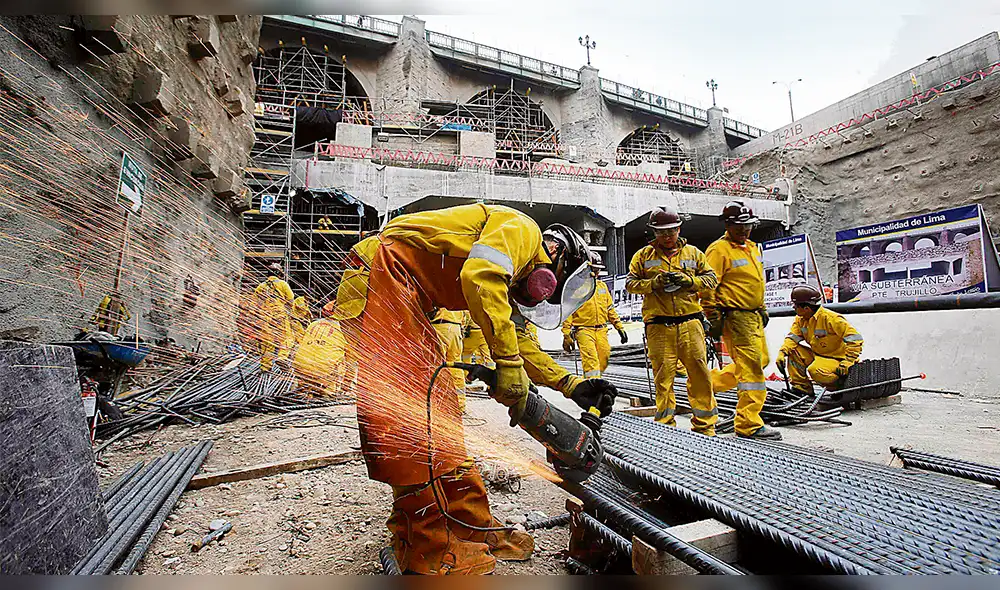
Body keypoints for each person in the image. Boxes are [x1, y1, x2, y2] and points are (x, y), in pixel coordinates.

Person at [356, 204, 618, 575]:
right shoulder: (523, 231)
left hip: (407, 292)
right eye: (551, 288)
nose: (542, 298)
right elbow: (479, 275)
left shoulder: (508, 277)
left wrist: (570, 384)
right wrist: (508, 366)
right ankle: (427, 550)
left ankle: (470, 525)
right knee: (408, 422)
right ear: (555, 254)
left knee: (440, 412)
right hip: (384, 273)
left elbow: (517, 339)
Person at [626, 207, 719, 435]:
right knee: (663, 377)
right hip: (659, 325)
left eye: (671, 232)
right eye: (661, 233)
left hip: (691, 323)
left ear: (679, 229)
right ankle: (666, 428)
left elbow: (711, 279)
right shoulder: (643, 257)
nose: (667, 237)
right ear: (654, 233)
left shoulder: (694, 254)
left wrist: (689, 282)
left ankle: (705, 426)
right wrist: (653, 284)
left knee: (699, 375)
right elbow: (630, 283)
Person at [702, 201, 780, 440]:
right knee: (752, 370)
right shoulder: (719, 250)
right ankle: (749, 423)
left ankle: (705, 384)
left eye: (747, 225)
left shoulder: (753, 248)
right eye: (738, 226)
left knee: (761, 361)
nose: (744, 230)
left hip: (753, 314)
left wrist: (762, 307)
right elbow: (707, 285)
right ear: (727, 225)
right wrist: (712, 315)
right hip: (735, 316)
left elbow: (755, 282)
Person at [776, 284, 864, 393]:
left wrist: (849, 360)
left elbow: (855, 339)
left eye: (795, 305)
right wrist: (782, 353)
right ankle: (802, 388)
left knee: (815, 370)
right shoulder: (801, 319)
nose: (793, 307)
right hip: (818, 356)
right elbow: (792, 338)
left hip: (837, 360)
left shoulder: (831, 319)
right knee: (793, 351)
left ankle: (842, 387)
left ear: (806, 308)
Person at [323, 234, 381, 395]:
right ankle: (365, 388)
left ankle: (350, 386)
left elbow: (344, 263)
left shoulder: (361, 248)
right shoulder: (384, 245)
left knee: (354, 352)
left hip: (348, 309)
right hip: (362, 305)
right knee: (368, 353)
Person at [561, 254, 627, 378]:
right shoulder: (576, 289)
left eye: (598, 270)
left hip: (601, 330)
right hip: (584, 330)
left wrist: (619, 327)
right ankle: (593, 384)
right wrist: (566, 333)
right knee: (591, 361)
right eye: (593, 270)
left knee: (604, 356)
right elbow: (569, 312)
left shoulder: (602, 287)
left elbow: (610, 309)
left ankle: (591, 381)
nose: (596, 273)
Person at [253, 263, 295, 371]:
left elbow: (256, 304)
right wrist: (289, 312)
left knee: (267, 342)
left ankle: (265, 367)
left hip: (266, 318)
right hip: (280, 316)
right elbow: (290, 300)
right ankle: (282, 357)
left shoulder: (261, 287)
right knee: (287, 338)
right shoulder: (283, 284)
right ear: (280, 274)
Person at [291, 317, 348, 397]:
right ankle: (330, 392)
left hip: (300, 367)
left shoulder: (313, 324)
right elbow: (352, 356)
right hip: (324, 371)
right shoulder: (344, 329)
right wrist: (346, 385)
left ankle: (304, 388)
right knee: (345, 360)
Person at [431, 308, 468, 412]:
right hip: (456, 330)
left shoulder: (440, 294)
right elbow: (465, 317)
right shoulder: (457, 298)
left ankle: (438, 403)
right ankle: (460, 405)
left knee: (437, 366)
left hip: (440, 327)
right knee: (456, 367)